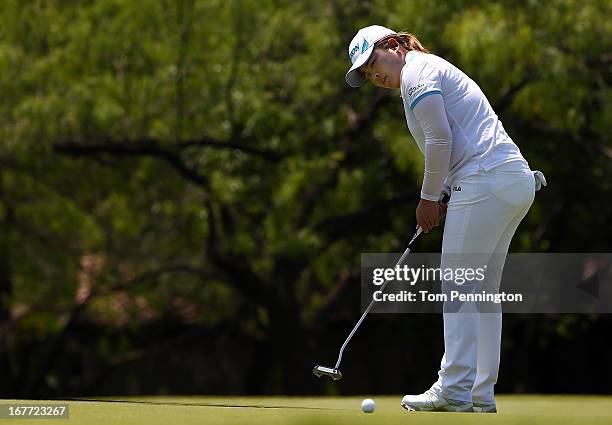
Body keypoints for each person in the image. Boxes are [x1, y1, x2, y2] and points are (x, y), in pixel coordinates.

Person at [345, 25, 546, 413]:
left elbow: (440, 140)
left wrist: (427, 200)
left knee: (458, 283)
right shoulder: (425, 71)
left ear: (394, 45)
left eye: (373, 63)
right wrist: (443, 193)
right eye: (368, 74)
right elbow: (451, 141)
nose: (375, 76)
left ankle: (454, 387)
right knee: (481, 289)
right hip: (511, 180)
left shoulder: (417, 73)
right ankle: (478, 395)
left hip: (486, 178)